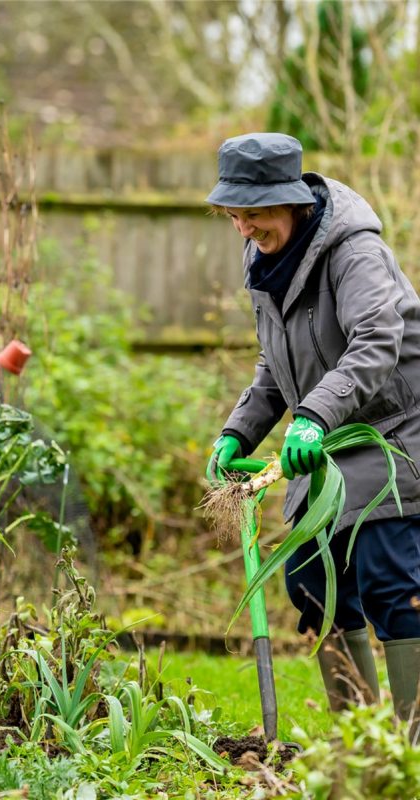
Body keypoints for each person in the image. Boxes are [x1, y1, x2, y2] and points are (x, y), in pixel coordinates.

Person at [204, 132, 420, 721]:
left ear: (292, 201)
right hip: (320, 442)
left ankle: (410, 750)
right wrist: (239, 431)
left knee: (388, 585)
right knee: (309, 584)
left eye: (255, 214)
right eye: (234, 216)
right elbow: (277, 362)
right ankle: (359, 740)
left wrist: (313, 416)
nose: (244, 229)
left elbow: (377, 341)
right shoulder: (264, 258)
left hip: (390, 433)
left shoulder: (354, 253)